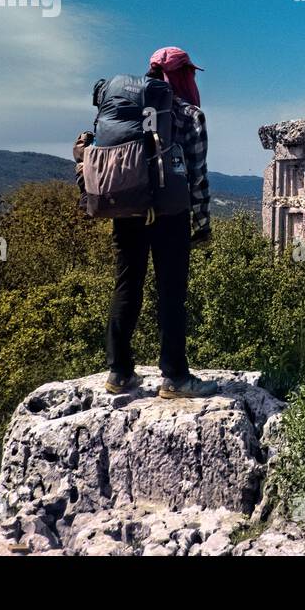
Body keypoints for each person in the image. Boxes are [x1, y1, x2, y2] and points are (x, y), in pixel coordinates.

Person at [79, 46, 217, 399]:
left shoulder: (122, 107)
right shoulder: (189, 114)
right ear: (183, 74)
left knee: (127, 286)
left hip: (127, 208)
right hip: (170, 215)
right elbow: (196, 177)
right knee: (172, 294)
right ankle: (175, 378)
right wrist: (202, 225)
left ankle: (119, 372)